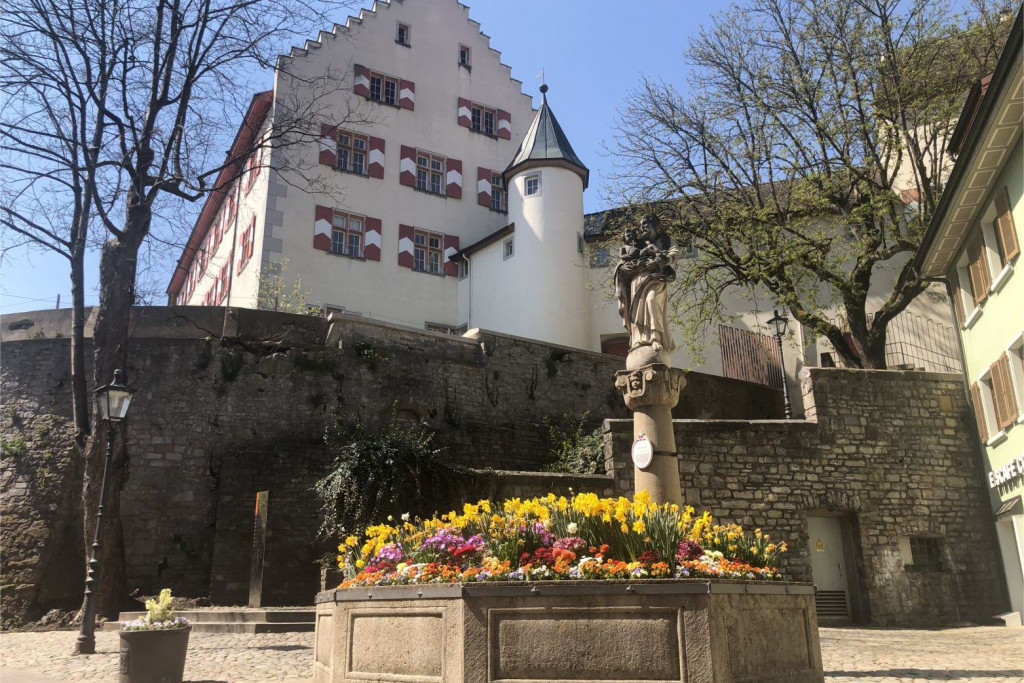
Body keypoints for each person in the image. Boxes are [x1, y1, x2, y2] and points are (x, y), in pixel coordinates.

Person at [613, 214, 682, 354]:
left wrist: (661, 260)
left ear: (655, 226)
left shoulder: (665, 240)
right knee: (636, 312)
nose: (642, 227)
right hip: (637, 281)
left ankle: (656, 337)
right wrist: (622, 269)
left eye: (646, 224)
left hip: (656, 278)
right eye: (641, 225)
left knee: (651, 301)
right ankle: (639, 340)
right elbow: (621, 264)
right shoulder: (637, 243)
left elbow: (674, 253)